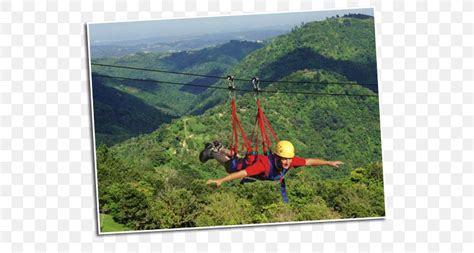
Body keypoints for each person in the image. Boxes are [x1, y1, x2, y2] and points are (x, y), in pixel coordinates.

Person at [200, 140, 343, 187]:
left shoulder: (291, 161)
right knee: (231, 166)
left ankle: (221, 148)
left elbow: (309, 161)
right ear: (276, 156)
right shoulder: (263, 166)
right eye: (284, 159)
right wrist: (220, 180)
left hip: (250, 162)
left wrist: (328, 163)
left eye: (289, 159)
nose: (287, 162)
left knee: (240, 158)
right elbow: (241, 174)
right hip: (245, 166)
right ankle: (213, 152)